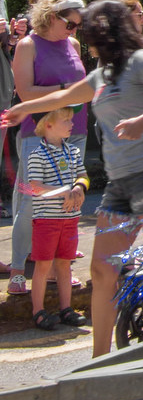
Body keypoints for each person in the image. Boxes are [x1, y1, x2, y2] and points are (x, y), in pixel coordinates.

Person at [1, 0, 143, 357]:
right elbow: (66, 96)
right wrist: (22, 108)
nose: (85, 39)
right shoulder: (101, 75)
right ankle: (100, 360)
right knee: (102, 271)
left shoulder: (142, 62)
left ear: (107, 33)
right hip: (120, 185)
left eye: (89, 32)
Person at [7, 0, 87, 295]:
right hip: (39, 134)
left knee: (67, 202)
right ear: (52, 17)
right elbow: (26, 93)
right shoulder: (28, 46)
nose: (74, 30)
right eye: (70, 24)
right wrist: (67, 90)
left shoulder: (73, 44)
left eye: (78, 25)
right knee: (32, 202)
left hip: (74, 130)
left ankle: (57, 269)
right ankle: (17, 271)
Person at [26, 108, 88, 331]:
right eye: (66, 120)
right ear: (48, 124)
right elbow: (36, 187)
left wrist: (79, 188)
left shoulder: (72, 151)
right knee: (42, 265)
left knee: (65, 263)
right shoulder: (37, 155)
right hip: (46, 220)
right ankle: (38, 311)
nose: (72, 123)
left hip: (70, 219)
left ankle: (66, 308)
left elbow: (83, 175)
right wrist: (65, 192)